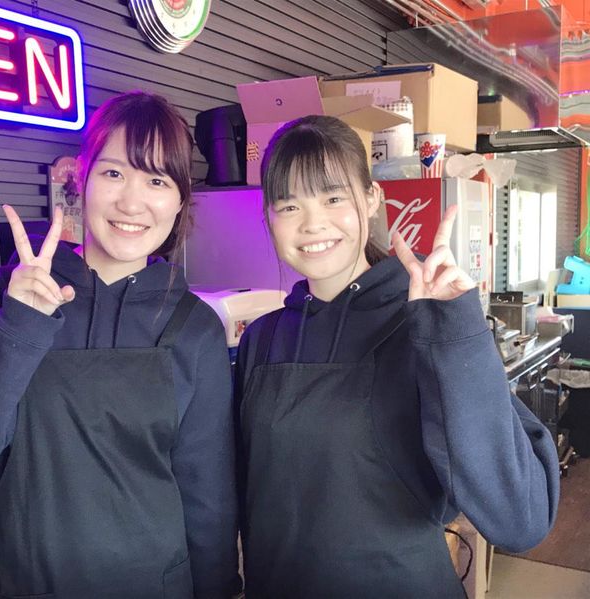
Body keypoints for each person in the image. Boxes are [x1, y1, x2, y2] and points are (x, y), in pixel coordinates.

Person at [0, 91, 239, 598]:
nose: (132, 202)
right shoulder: (2, 293)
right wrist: (18, 326)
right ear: (80, 179)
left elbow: (208, 493)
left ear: (180, 199)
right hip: (25, 584)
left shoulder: (193, 325)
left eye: (156, 180)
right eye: (114, 173)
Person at [234, 115, 560, 597]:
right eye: (289, 205)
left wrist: (456, 330)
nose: (312, 223)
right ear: (268, 218)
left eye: (333, 198)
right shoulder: (261, 340)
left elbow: (521, 518)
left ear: (371, 199)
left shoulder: (422, 328)